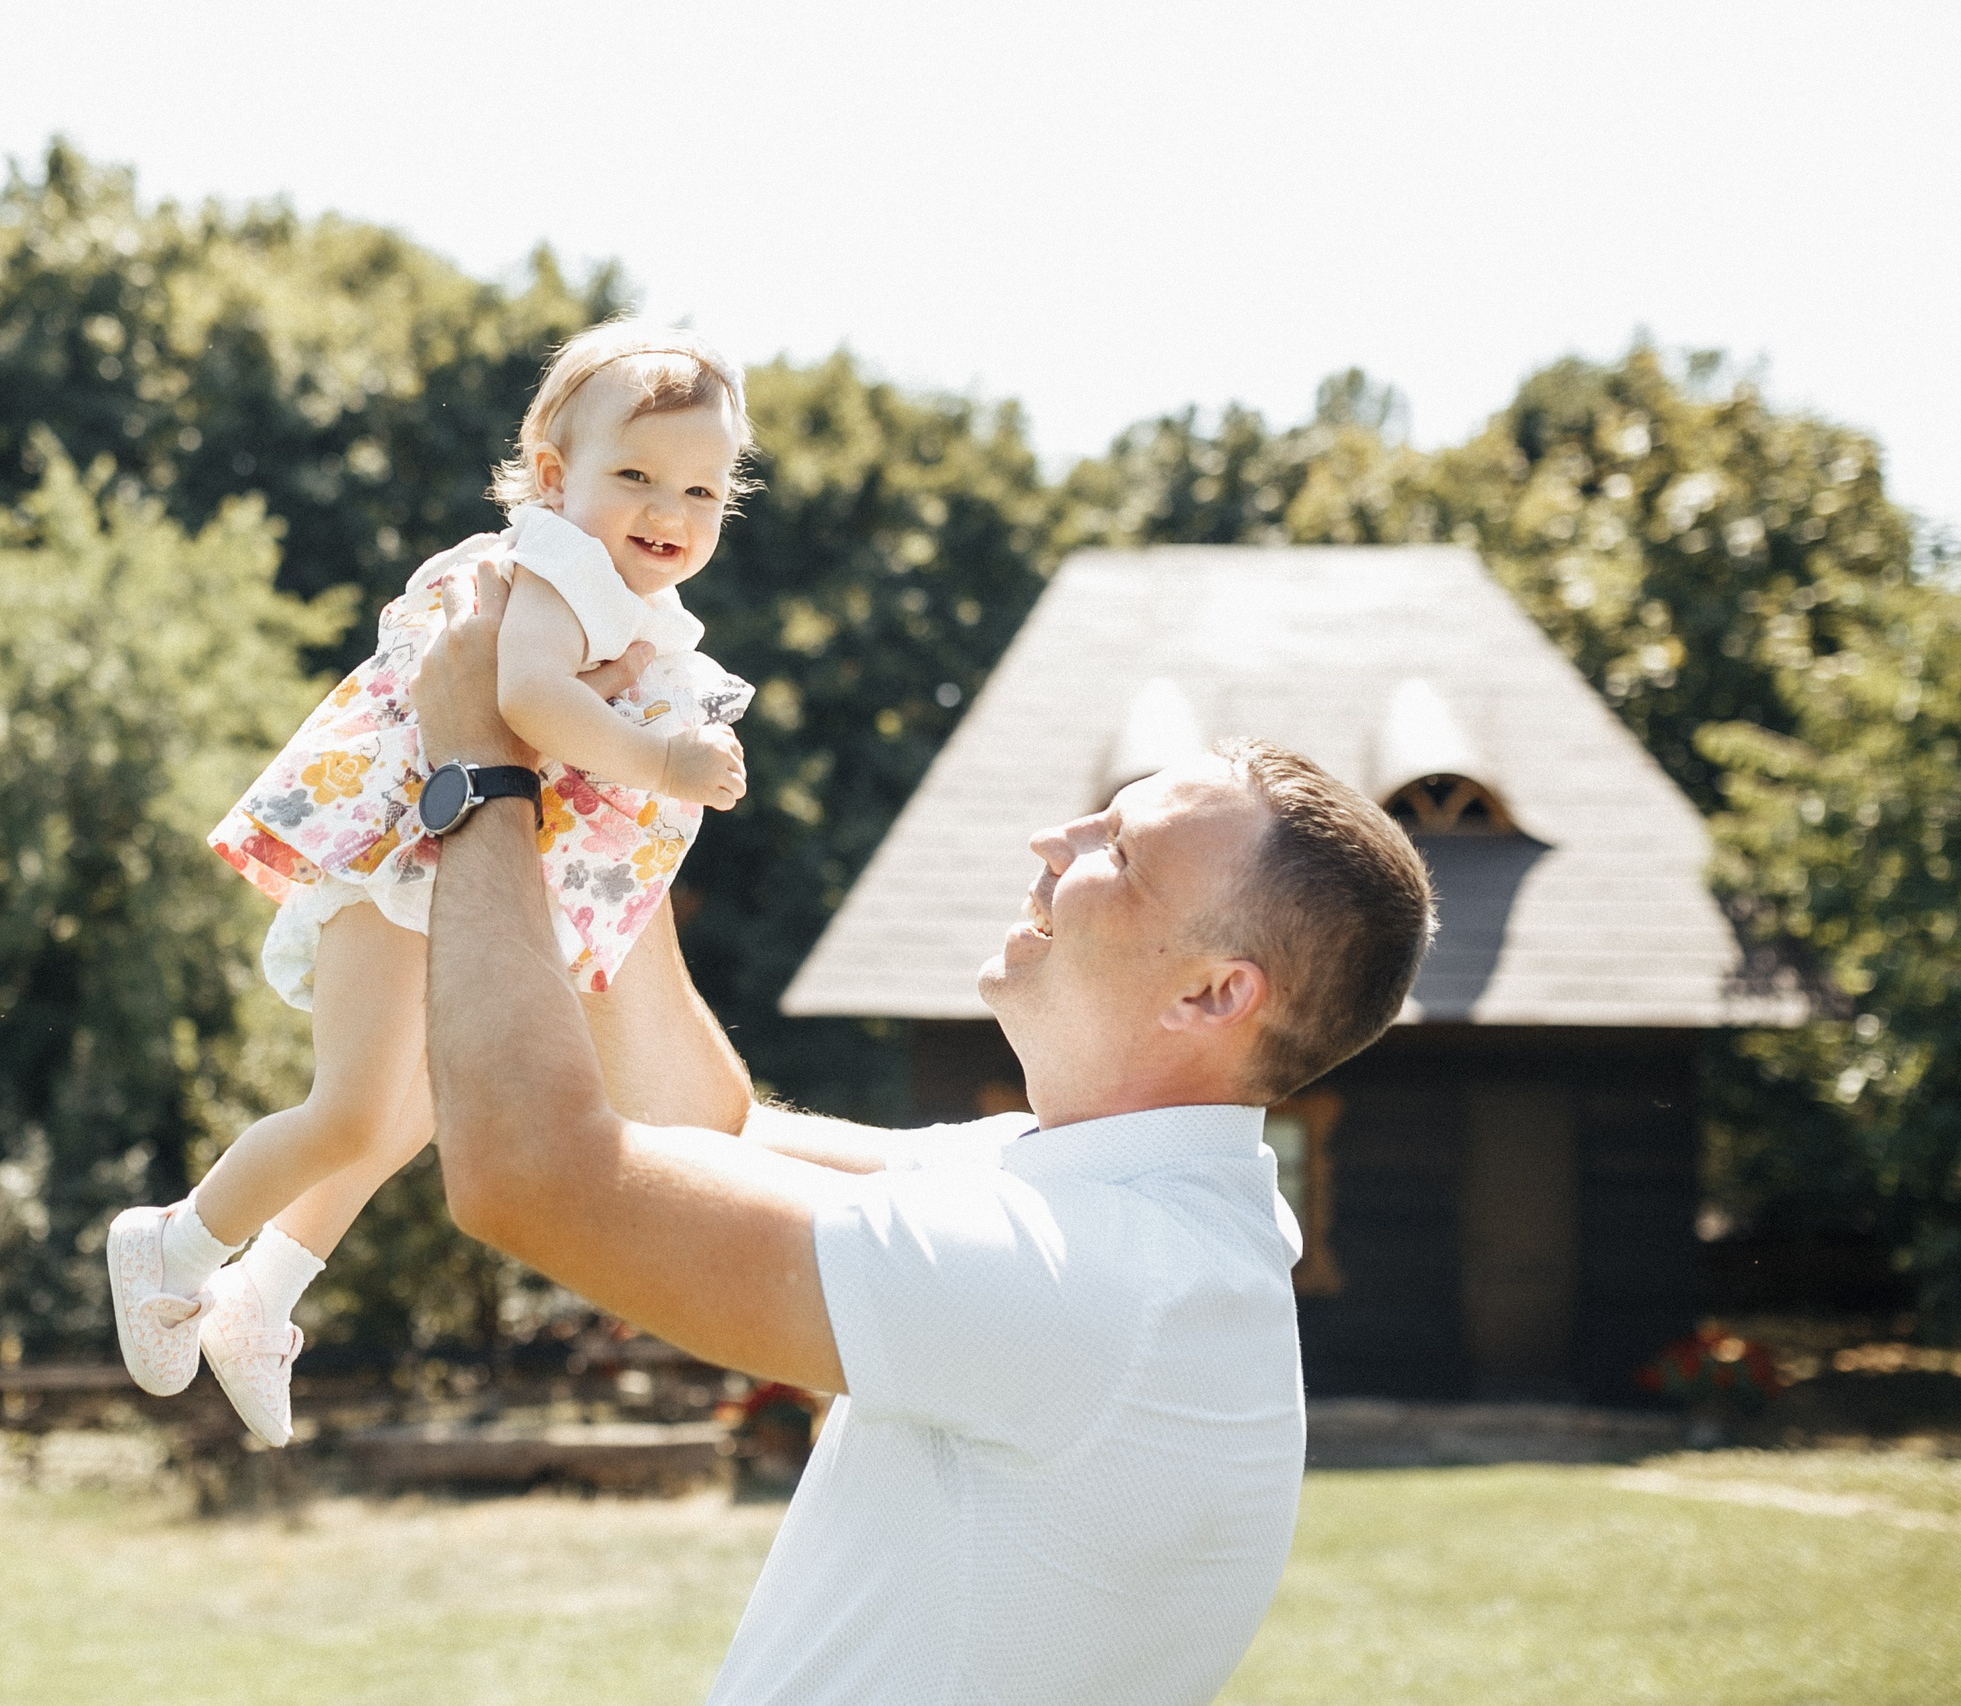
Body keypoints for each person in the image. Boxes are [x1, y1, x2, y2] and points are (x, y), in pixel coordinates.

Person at [410, 560, 1438, 1706]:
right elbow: (713, 1132)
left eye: (1121, 850)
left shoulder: (1092, 1275)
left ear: (1210, 996)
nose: (1056, 837)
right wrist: (594, 801)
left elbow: (531, 1175)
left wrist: (479, 778)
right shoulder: (1088, 1203)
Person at [105, 323, 756, 1442]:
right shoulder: (552, 566)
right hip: (409, 845)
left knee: (402, 1118)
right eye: (636, 475)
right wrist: (659, 759)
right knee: (355, 1104)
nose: (671, 510)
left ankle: (259, 1296)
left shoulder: (632, 605)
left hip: (447, 866)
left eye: (702, 488)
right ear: (554, 479)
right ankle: (176, 1240)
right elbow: (534, 696)